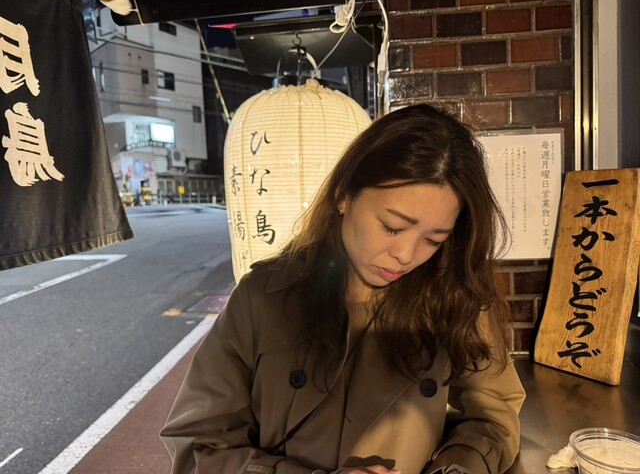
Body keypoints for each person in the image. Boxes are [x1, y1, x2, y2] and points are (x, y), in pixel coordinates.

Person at [160, 104, 526, 474]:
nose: (405, 255)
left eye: (433, 239)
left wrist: (457, 468)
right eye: (392, 227)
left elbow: (492, 415)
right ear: (343, 194)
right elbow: (199, 443)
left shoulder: (454, 298)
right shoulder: (262, 298)